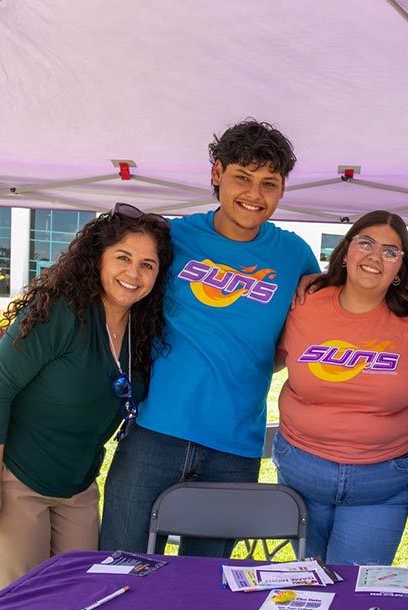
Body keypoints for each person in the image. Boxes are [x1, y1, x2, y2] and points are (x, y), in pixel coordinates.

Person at [100, 120, 321, 559]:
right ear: (217, 173)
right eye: (242, 177)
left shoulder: (294, 255)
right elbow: (104, 280)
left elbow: (322, 322)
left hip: (234, 445)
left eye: (268, 184)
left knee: (204, 583)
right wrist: (28, 317)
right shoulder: (173, 238)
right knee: (121, 564)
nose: (254, 195)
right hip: (153, 431)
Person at [0, 204, 170, 591]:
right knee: (23, 607)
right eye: (122, 258)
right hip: (15, 478)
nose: (134, 274)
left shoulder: (144, 329)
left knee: (80, 595)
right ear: (97, 259)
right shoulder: (60, 313)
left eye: (148, 264)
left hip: (77, 488)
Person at [273, 211, 408, 565]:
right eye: (366, 243)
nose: (375, 256)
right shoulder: (303, 303)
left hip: (379, 484)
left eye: (391, 251)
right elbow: (269, 358)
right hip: (302, 473)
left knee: (356, 594)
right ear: (345, 251)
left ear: (400, 269)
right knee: (303, 588)